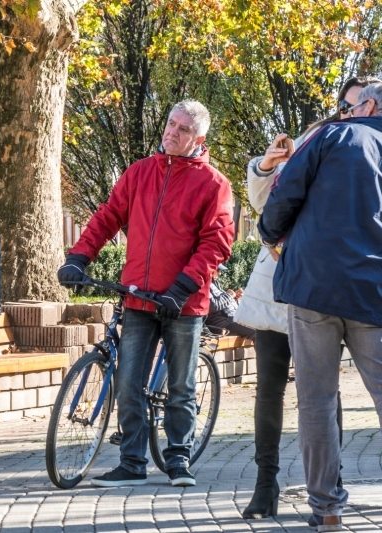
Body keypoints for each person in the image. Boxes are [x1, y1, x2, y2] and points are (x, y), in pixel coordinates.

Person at [58, 99, 234, 488]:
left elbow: (217, 242)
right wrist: (79, 257)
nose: (172, 132)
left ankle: (178, 459)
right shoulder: (139, 172)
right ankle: (132, 462)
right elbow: (107, 216)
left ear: (199, 138)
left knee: (181, 386)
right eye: (170, 124)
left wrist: (182, 288)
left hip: (183, 304)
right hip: (138, 297)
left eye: (183, 129)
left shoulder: (214, 184)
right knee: (128, 382)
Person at [238, 76, 380, 523]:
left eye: (355, 104)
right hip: (373, 291)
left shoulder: (334, 135)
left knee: (316, 399)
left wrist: (267, 233)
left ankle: (327, 508)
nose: (349, 109)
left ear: (370, 105)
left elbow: (284, 194)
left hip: (313, 285)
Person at [205, 265, 255, 341]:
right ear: (211, 269)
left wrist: (235, 298)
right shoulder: (205, 285)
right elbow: (213, 306)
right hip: (223, 325)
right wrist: (229, 296)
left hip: (233, 321)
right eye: (218, 270)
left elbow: (223, 305)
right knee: (257, 332)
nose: (220, 273)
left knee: (263, 325)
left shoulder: (214, 284)